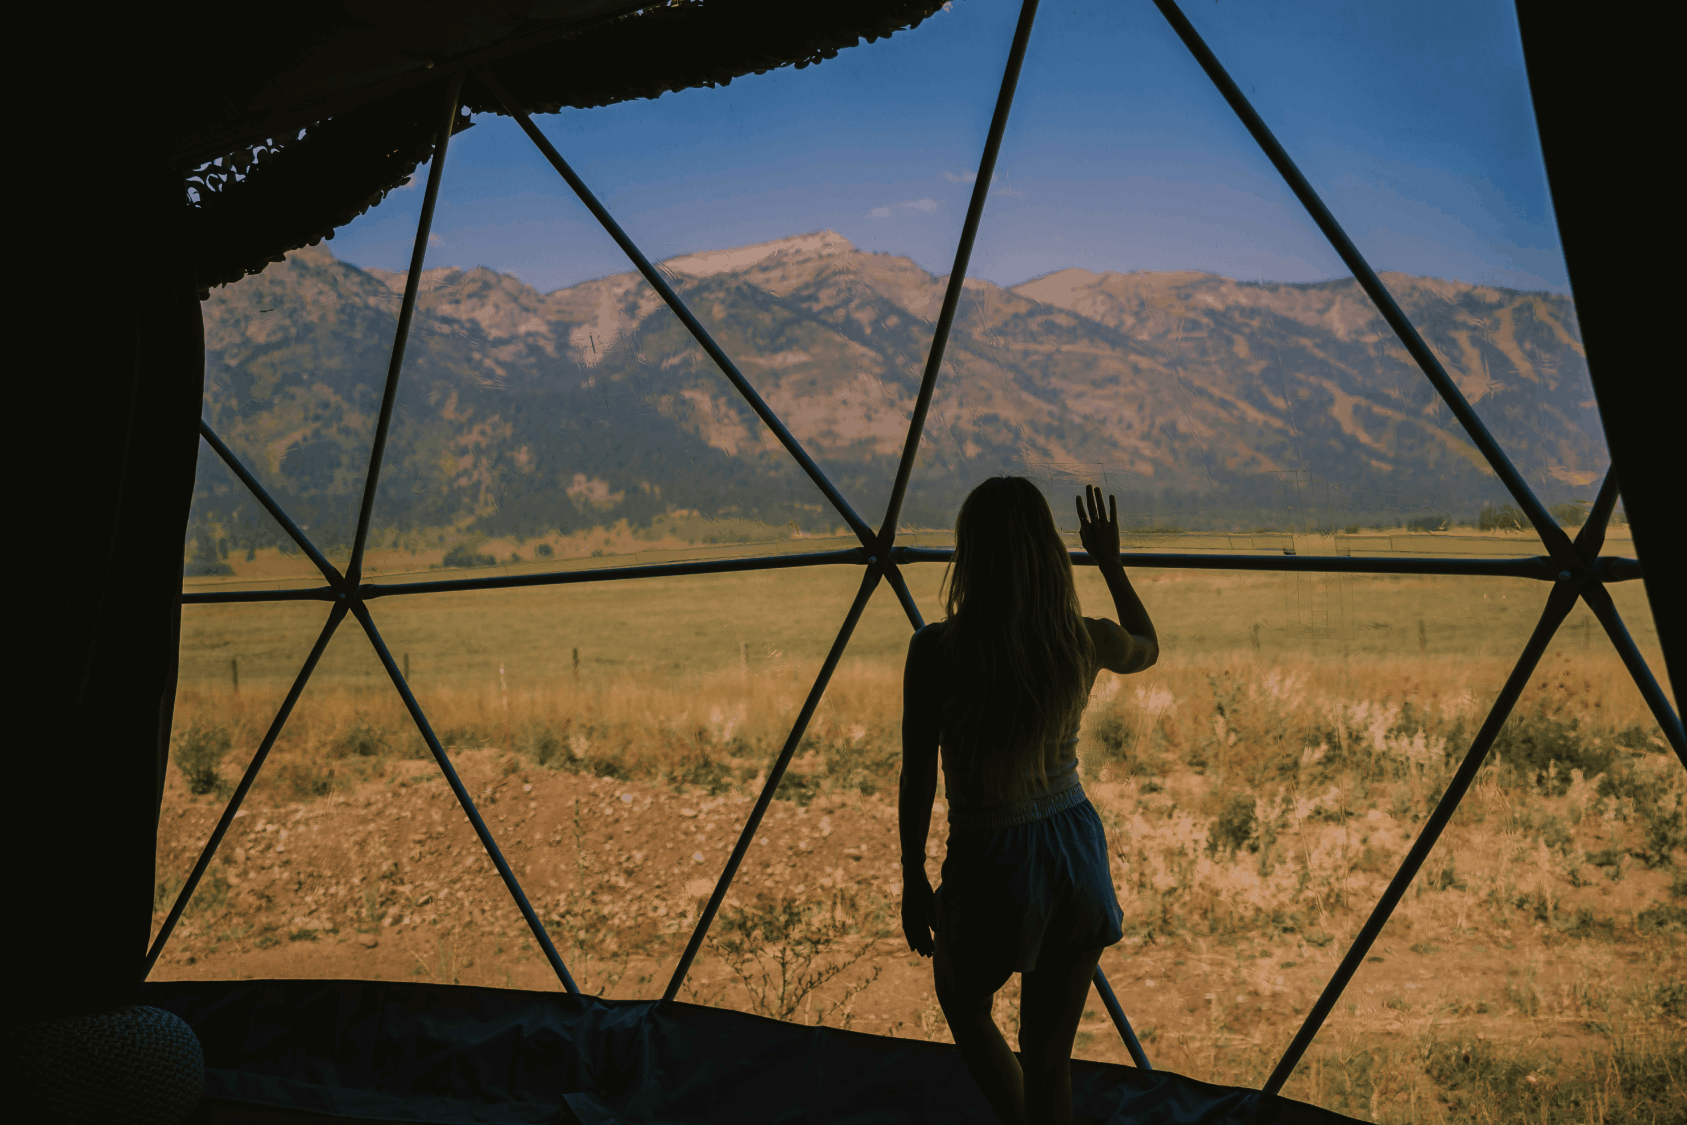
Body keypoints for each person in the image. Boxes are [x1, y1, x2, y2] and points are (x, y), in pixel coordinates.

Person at [899, 478, 1159, 1125]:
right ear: (1048, 552)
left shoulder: (937, 649)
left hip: (992, 853)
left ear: (971, 554)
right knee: (1049, 1058)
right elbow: (1146, 645)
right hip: (1073, 849)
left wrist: (912, 875)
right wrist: (1109, 562)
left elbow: (917, 773)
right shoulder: (1083, 639)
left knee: (962, 1000)